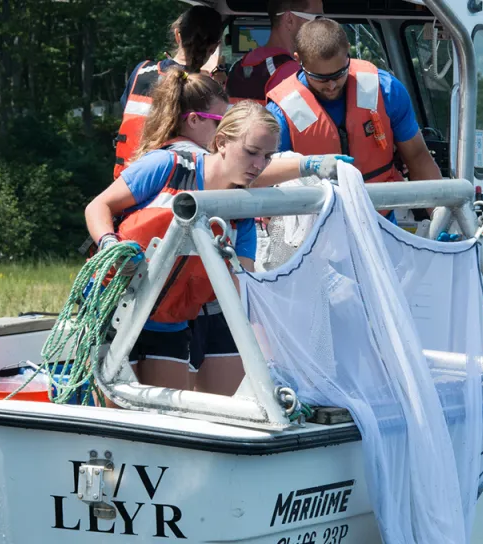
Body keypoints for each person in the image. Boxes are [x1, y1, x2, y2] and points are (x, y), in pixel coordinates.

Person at [86, 81, 351, 396]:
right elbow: (98, 206)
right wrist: (109, 245)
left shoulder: (241, 217)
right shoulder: (167, 166)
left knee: (167, 421)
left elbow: (242, 287)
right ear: (222, 142)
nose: (258, 165)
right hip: (113, 307)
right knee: (116, 417)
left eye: (267, 157)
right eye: (252, 153)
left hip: (169, 321)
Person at [262, 19, 443, 224]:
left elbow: (418, 157)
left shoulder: (386, 91)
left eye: (339, 74)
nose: (331, 85)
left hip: (379, 220)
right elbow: (264, 175)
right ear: (298, 60)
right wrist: (306, 166)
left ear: (348, 51)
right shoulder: (282, 112)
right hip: (317, 232)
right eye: (320, 78)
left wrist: (440, 215)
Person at [112, 5, 225, 179]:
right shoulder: (207, 90)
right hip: (170, 186)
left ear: (177, 35)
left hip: (126, 179)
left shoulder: (140, 72)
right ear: (214, 47)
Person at [225, 0, 324, 105]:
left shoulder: (237, 67)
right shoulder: (292, 73)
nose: (323, 26)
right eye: (317, 19)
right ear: (289, 20)